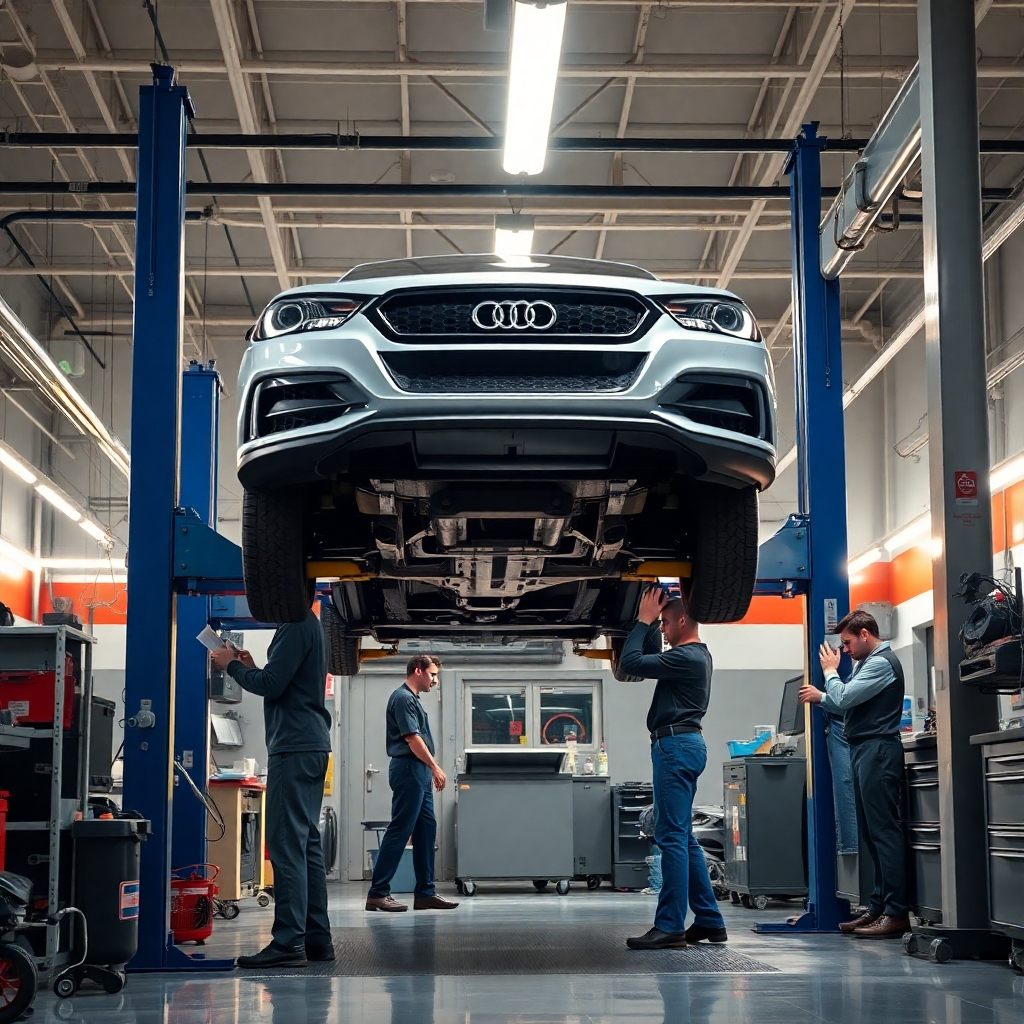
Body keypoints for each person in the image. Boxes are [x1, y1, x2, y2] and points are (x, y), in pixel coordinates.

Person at [210, 604, 333, 969]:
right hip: (310, 744)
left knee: (285, 845)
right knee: (307, 845)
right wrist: (249, 666)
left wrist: (231, 666)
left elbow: (272, 685)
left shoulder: (293, 623)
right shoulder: (307, 624)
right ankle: (316, 940)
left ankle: (288, 943)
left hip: (293, 746)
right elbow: (283, 680)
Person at [619, 587, 728, 950]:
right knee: (683, 837)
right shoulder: (691, 656)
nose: (662, 629)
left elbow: (632, 662)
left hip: (675, 747)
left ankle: (669, 926)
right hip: (683, 745)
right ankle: (710, 921)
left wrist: (643, 620)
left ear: (683, 619)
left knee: (669, 838)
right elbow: (647, 657)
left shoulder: (688, 657)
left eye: (666, 623)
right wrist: (650, 622)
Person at [799, 608, 909, 938]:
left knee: (883, 832)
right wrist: (823, 698)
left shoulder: (880, 663)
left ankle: (896, 912)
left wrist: (830, 675)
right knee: (871, 834)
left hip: (878, 750)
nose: (844, 650)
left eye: (847, 643)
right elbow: (846, 703)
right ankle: (878, 907)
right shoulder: (866, 664)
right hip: (864, 749)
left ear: (865, 635)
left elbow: (844, 697)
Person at [365, 655, 458, 912]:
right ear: (418, 670)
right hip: (409, 768)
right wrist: (435, 766)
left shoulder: (412, 700)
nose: (435, 681)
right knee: (401, 829)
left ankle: (425, 893)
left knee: (426, 830)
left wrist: (428, 769)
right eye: (433, 675)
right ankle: (378, 893)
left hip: (418, 770)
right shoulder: (403, 698)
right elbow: (412, 739)